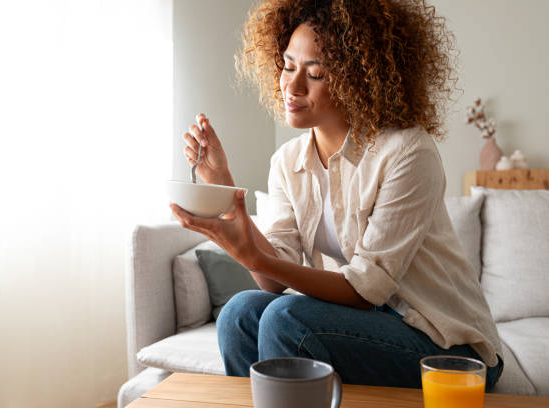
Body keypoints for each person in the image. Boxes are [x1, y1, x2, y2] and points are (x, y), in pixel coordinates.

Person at [169, 0, 503, 389]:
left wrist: (252, 255)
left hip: (447, 347)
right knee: (240, 312)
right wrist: (223, 186)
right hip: (369, 324)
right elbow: (272, 280)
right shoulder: (288, 161)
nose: (292, 86)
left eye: (316, 73)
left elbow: (367, 289)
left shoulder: (408, 151)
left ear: (358, 79)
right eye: (288, 66)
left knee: (286, 318)